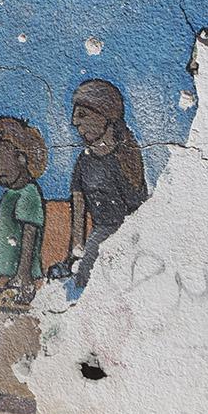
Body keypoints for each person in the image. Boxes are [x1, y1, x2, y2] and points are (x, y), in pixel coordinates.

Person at [67, 80, 147, 288]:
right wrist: (76, 250)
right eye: (76, 116)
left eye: (83, 115)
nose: (75, 122)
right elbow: (79, 210)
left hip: (129, 238)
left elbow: (139, 211)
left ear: (105, 114)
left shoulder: (126, 158)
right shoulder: (84, 161)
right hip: (98, 235)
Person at [0, 116, 47, 305]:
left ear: (20, 156)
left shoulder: (28, 194)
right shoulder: (10, 194)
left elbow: (29, 235)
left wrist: (23, 277)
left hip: (20, 279)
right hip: (6, 276)